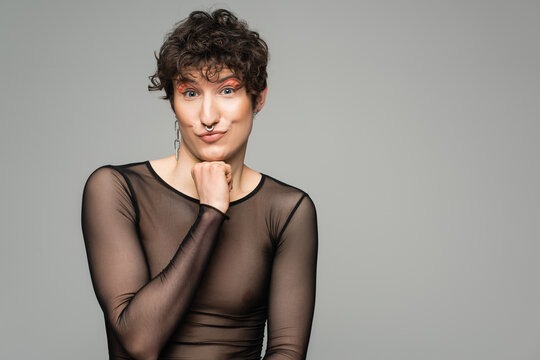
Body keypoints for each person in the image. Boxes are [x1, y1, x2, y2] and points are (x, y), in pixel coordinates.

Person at [81, 8, 318, 360]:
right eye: (191, 93)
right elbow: (140, 343)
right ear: (174, 102)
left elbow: (287, 351)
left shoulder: (287, 210)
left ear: (258, 98)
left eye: (226, 90)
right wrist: (210, 213)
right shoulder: (116, 189)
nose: (208, 117)